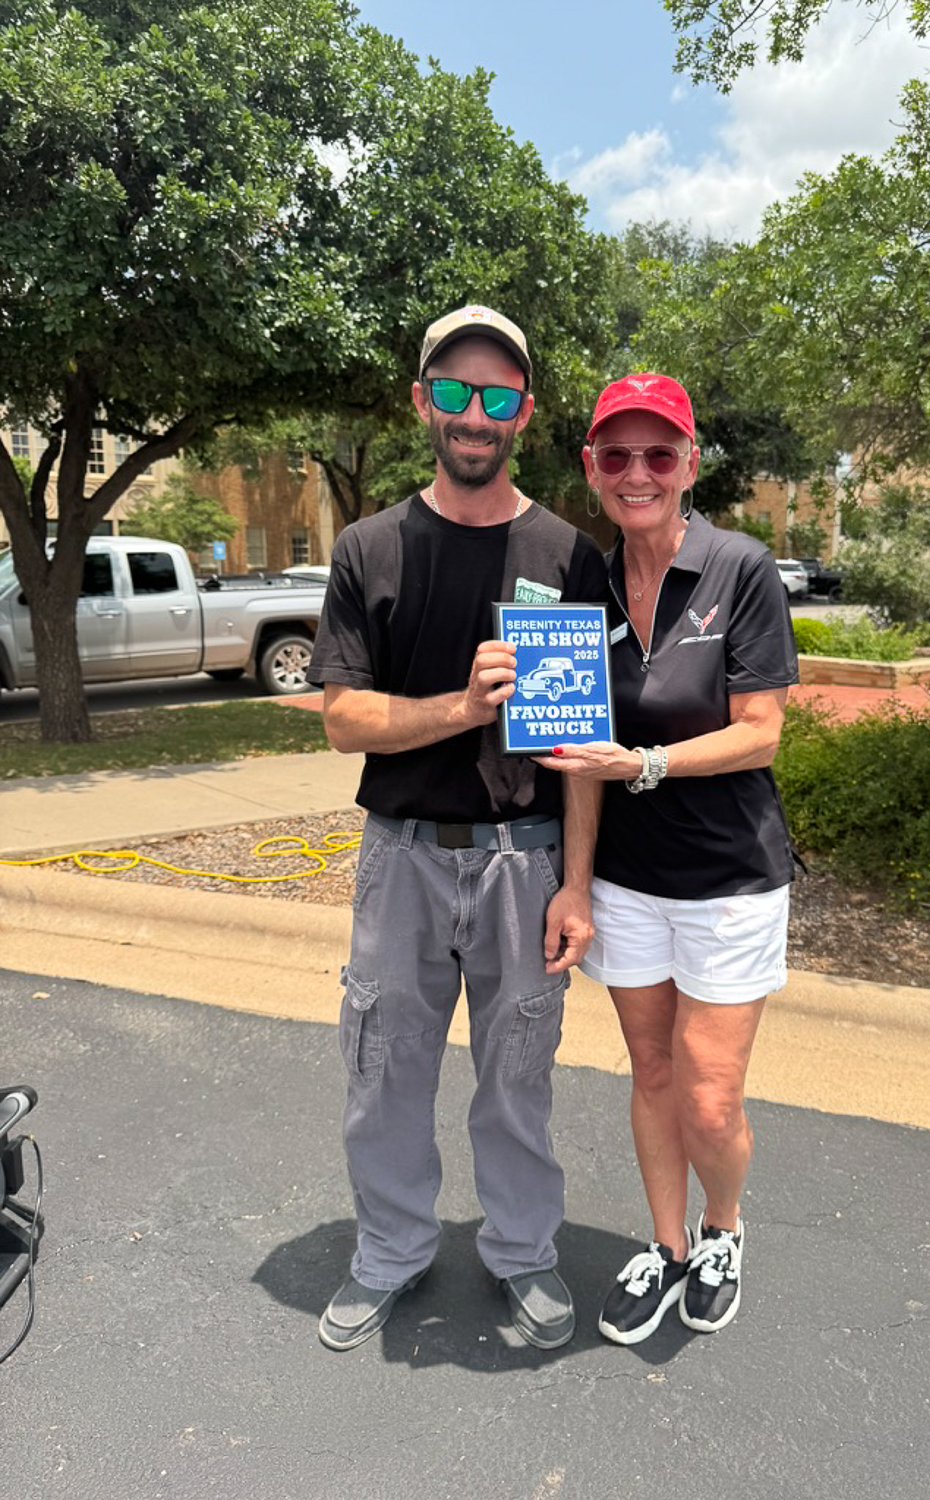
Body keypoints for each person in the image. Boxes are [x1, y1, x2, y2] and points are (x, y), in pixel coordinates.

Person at [307, 305, 606, 1352]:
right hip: (403, 860)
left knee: (518, 1075)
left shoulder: (568, 554)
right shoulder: (369, 548)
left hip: (526, 864)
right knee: (385, 1068)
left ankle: (521, 1251)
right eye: (453, 391)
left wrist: (576, 883)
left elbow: (578, 745)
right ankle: (389, 1251)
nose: (474, 414)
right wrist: (464, 708)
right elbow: (344, 719)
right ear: (420, 401)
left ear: (523, 412)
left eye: (497, 395)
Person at [539, 373, 798, 1345]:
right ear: (592, 468)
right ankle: (665, 1243)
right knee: (650, 1072)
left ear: (690, 464)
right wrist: (574, 885)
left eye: (659, 453)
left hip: (729, 880)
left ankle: (722, 1228)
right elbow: (577, 757)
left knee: (707, 1093)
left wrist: (643, 762)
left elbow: (760, 732)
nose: (637, 472)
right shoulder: (583, 585)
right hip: (627, 883)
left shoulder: (740, 567)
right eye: (617, 455)